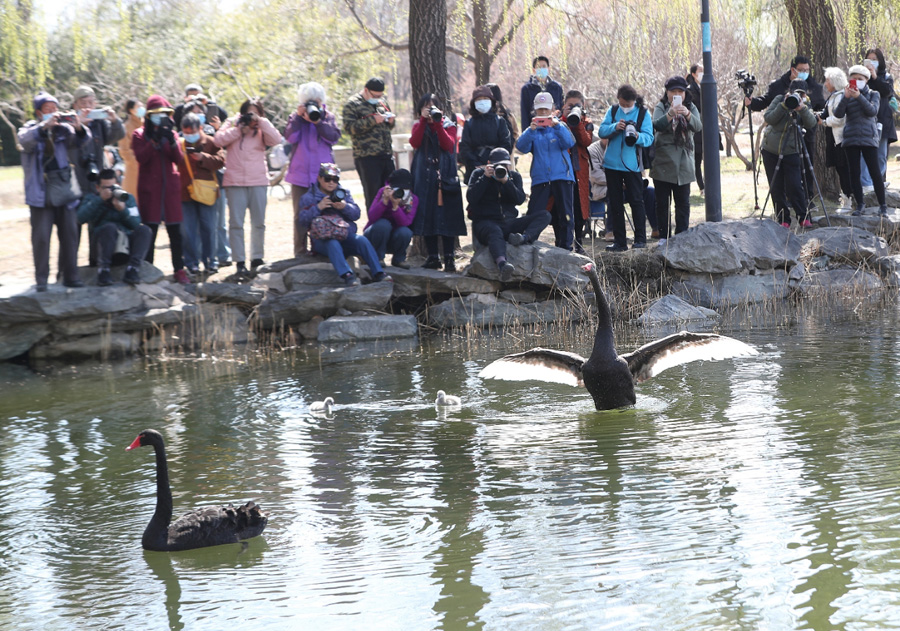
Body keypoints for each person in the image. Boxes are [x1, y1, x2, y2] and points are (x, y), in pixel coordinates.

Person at [18, 91, 90, 291]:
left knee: (70, 234)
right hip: (40, 193)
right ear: (39, 112)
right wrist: (44, 127)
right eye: (47, 110)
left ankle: (70, 275)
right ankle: (41, 280)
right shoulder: (29, 129)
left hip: (64, 190)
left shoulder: (63, 130)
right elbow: (25, 141)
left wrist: (79, 126)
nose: (52, 113)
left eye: (54, 109)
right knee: (41, 237)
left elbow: (81, 140)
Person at [214, 97, 284, 277]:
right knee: (236, 223)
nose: (251, 116)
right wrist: (239, 129)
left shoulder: (262, 129)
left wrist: (260, 122)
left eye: (255, 113)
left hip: (258, 180)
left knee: (258, 223)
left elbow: (276, 139)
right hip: (235, 181)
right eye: (248, 112)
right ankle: (239, 261)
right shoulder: (232, 123)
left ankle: (257, 258)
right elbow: (218, 140)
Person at [747, 55, 826, 209]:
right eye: (801, 70)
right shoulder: (778, 86)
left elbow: (820, 108)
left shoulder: (814, 86)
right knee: (784, 171)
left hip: (806, 136)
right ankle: (786, 202)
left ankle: (808, 199)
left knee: (806, 168)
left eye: (807, 70)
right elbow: (767, 102)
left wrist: (810, 112)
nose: (805, 72)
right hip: (782, 137)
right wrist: (752, 103)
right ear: (793, 70)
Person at [297, 163, 391, 286]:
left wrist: (345, 207)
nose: (331, 182)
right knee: (333, 243)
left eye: (335, 179)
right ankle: (348, 275)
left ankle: (378, 273)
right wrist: (318, 207)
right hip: (322, 240)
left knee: (361, 240)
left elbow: (356, 214)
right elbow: (303, 221)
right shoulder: (309, 197)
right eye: (327, 179)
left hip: (345, 236)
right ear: (319, 178)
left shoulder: (344, 193)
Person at [131, 95, 190, 284]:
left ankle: (179, 270)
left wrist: (171, 141)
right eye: (157, 115)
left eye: (164, 115)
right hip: (150, 189)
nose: (161, 118)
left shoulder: (172, 134)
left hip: (170, 190)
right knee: (150, 231)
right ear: (148, 116)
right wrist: (153, 141)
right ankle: (148, 269)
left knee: (176, 232)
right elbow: (141, 158)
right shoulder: (139, 134)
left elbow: (178, 159)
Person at [468, 148, 550, 281]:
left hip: (509, 223)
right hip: (485, 223)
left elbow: (519, 199)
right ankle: (502, 264)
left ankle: (523, 238)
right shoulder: (478, 174)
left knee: (545, 215)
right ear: (489, 163)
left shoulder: (513, 176)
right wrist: (485, 178)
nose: (501, 167)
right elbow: (471, 198)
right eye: (497, 165)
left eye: (505, 164)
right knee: (494, 231)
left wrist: (506, 182)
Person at [409, 92, 466, 271]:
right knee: (427, 215)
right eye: (426, 106)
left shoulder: (449, 125)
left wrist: (438, 123)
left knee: (447, 216)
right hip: (424, 177)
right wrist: (424, 122)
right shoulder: (418, 126)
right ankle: (433, 257)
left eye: (433, 106)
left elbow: (448, 145)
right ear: (420, 110)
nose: (430, 109)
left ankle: (449, 258)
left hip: (445, 177)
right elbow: (415, 142)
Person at [284, 82, 342, 257]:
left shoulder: (327, 117)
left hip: (324, 176)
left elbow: (333, 137)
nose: (313, 104)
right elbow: (290, 137)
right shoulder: (296, 118)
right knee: (300, 215)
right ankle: (300, 252)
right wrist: (299, 118)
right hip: (300, 175)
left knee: (325, 211)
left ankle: (321, 249)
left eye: (315, 101)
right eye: (309, 101)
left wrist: (318, 122)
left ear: (321, 101)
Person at [516, 92, 576, 251]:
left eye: (545, 109)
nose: (542, 113)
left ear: (553, 109)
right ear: (535, 111)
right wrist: (530, 130)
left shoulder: (560, 126)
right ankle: (527, 243)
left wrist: (556, 126)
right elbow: (521, 148)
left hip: (562, 176)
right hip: (541, 178)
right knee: (534, 213)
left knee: (566, 215)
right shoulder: (532, 130)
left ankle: (566, 247)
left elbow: (569, 143)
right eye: (539, 110)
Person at [598, 84, 654, 251]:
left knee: (637, 201)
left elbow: (649, 137)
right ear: (618, 100)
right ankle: (620, 242)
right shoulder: (613, 111)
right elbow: (601, 131)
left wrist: (636, 136)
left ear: (634, 101)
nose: (625, 107)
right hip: (611, 165)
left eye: (628, 104)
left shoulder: (643, 113)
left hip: (632, 166)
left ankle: (640, 240)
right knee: (615, 203)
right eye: (622, 103)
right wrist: (615, 127)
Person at [76, 169, 152, 286]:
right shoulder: (91, 199)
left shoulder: (127, 198)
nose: (110, 191)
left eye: (113, 187)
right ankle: (103, 271)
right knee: (109, 228)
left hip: (124, 249)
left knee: (144, 230)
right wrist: (100, 200)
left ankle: (133, 269)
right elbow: (79, 218)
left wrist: (123, 211)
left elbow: (136, 224)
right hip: (101, 250)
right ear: (98, 188)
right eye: (106, 188)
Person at [651, 76, 702, 245]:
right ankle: (663, 237)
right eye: (673, 91)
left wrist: (686, 114)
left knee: (683, 203)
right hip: (663, 162)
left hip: (684, 163)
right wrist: (670, 114)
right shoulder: (661, 106)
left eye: (680, 91)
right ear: (667, 92)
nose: (677, 94)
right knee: (662, 204)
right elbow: (656, 124)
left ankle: (682, 237)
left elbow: (698, 126)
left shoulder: (691, 107)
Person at [760, 80, 818, 227]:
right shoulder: (780, 99)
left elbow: (811, 123)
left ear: (805, 95)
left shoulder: (805, 105)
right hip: (771, 149)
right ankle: (783, 219)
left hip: (792, 149)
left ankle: (803, 216)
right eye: (795, 93)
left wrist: (802, 108)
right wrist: (784, 105)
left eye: (801, 94)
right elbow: (769, 118)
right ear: (789, 91)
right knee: (776, 186)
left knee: (794, 185)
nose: (797, 96)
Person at [835, 65, 888, 216]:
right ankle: (860, 204)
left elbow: (872, 111)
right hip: (851, 138)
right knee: (854, 173)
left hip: (868, 138)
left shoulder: (873, 94)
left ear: (866, 80)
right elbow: (838, 114)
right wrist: (846, 97)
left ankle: (882, 205)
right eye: (854, 78)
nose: (857, 81)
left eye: (860, 79)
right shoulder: (845, 95)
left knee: (875, 172)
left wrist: (859, 96)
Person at [177, 113, 225, 275]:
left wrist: (202, 157)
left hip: (207, 193)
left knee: (209, 228)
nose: (189, 135)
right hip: (184, 193)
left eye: (192, 132)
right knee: (187, 230)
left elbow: (221, 161)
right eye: (186, 132)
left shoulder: (211, 142)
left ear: (201, 128)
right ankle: (191, 263)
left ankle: (211, 261)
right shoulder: (179, 144)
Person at [342, 77, 396, 212]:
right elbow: (349, 128)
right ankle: (375, 227)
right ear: (366, 90)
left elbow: (386, 129)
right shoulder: (352, 104)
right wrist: (372, 120)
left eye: (380, 95)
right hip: (367, 157)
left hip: (386, 154)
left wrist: (391, 122)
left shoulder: (382, 103)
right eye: (375, 95)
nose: (378, 98)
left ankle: (391, 224)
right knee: (373, 194)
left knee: (391, 192)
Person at [70, 85, 125, 195]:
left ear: (95, 104)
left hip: (98, 173)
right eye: (83, 103)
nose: (87, 107)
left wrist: (115, 122)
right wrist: (79, 127)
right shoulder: (69, 122)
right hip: (77, 176)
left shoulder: (99, 122)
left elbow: (114, 137)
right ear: (75, 105)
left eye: (90, 103)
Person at [561, 90, 594, 253]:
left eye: (577, 105)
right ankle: (562, 240)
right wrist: (565, 119)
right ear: (563, 106)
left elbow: (586, 141)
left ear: (583, 106)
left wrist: (577, 121)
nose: (574, 108)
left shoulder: (586, 122)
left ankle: (579, 241)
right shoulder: (557, 121)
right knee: (564, 205)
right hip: (562, 170)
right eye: (570, 105)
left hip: (580, 169)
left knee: (580, 205)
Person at [363, 168, 418, 268]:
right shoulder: (383, 192)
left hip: (394, 238)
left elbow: (406, 222)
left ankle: (399, 259)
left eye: (405, 189)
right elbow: (371, 217)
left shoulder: (412, 199)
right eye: (398, 188)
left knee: (406, 232)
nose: (402, 191)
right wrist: (384, 201)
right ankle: (378, 258)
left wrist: (396, 207)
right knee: (383, 224)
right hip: (374, 236)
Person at [859, 48, 896, 192]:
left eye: (875, 59)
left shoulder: (886, 77)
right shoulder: (861, 78)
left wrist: (875, 77)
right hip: (866, 121)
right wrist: (866, 77)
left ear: (880, 61)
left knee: (881, 155)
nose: (872, 62)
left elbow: (887, 91)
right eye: (869, 59)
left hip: (883, 121)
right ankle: (866, 183)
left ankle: (877, 182)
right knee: (865, 154)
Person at [459, 85, 513, 184]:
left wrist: (496, 162)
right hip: (475, 170)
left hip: (498, 168)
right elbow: (464, 148)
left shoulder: (499, 121)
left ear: (491, 101)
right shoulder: (469, 123)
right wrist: (477, 165)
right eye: (479, 99)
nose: (482, 101)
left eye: (485, 98)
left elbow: (506, 144)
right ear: (474, 103)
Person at [819, 67, 853, 211]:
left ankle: (849, 200)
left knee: (845, 170)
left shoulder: (841, 96)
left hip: (841, 139)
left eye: (827, 80)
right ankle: (846, 199)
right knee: (840, 170)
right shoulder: (833, 96)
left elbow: (840, 119)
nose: (825, 83)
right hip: (834, 139)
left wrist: (825, 122)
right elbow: (827, 112)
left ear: (834, 81)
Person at [520, 55, 565, 129]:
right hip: (535, 128)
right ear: (534, 70)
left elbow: (561, 108)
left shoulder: (557, 87)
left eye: (544, 66)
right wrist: (527, 132)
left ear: (548, 69)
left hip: (554, 127)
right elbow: (524, 114)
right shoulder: (527, 89)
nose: (541, 69)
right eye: (539, 67)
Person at [587, 136, 612, 240]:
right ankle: (611, 231)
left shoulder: (621, 147)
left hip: (623, 185)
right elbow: (595, 176)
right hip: (600, 188)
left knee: (649, 192)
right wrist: (617, 182)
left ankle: (655, 230)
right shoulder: (592, 150)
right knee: (614, 193)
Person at [119, 99, 144, 197]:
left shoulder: (146, 123)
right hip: (134, 170)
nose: (141, 109)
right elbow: (124, 151)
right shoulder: (126, 126)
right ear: (131, 110)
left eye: (142, 106)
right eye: (138, 107)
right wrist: (139, 161)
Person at [686, 63, 705, 195]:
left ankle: (706, 186)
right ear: (693, 74)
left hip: (706, 131)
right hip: (696, 131)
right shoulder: (689, 90)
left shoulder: (706, 87)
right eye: (700, 71)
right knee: (697, 161)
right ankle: (702, 187)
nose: (702, 73)